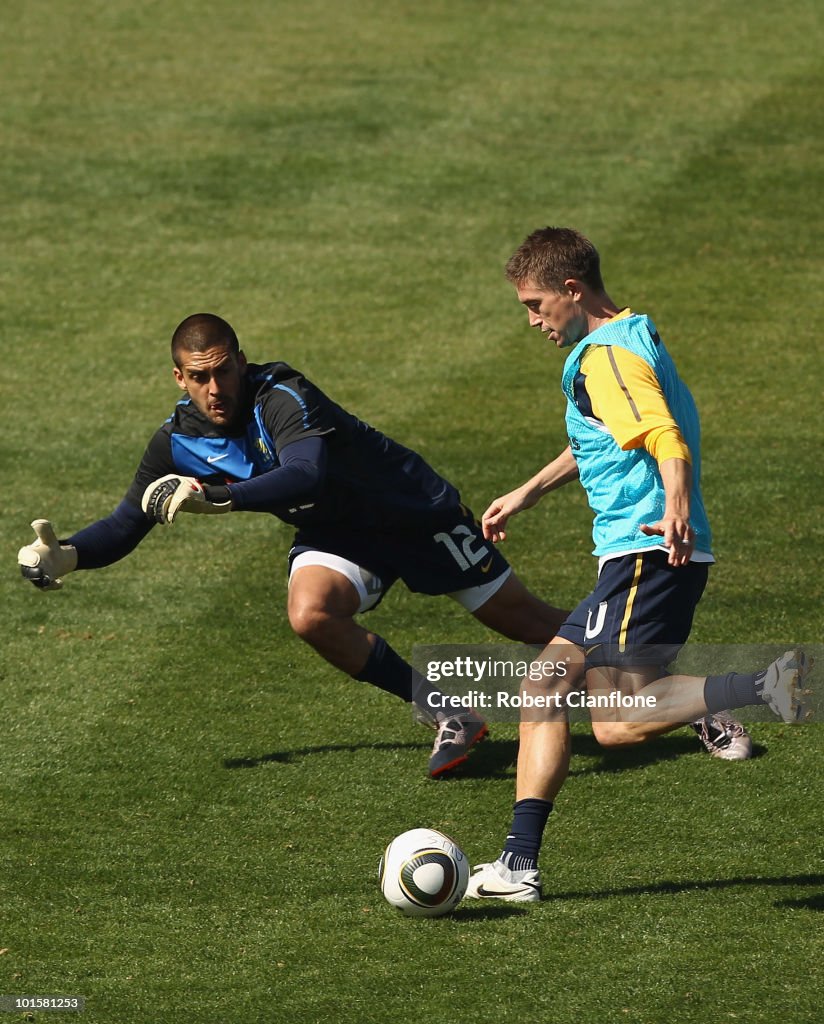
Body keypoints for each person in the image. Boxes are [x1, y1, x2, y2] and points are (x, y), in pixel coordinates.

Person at [17, 312, 573, 779]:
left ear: (240, 360)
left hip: (411, 512)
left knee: (530, 626)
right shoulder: (177, 440)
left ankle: (641, 662)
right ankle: (448, 712)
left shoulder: (282, 394)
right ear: (177, 378)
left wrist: (218, 497)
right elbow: (125, 523)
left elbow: (304, 473)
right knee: (310, 614)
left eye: (224, 370)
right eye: (199, 377)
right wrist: (68, 554)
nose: (216, 388)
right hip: (339, 533)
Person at [464, 227, 812, 901]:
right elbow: (609, 438)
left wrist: (675, 506)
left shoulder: (606, 358)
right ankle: (517, 867)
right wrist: (527, 492)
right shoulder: (627, 340)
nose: (533, 320)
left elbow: (661, 433)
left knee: (617, 721)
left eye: (535, 305)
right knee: (544, 685)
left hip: (649, 550)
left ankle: (764, 686)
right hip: (635, 554)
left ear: (572, 290)